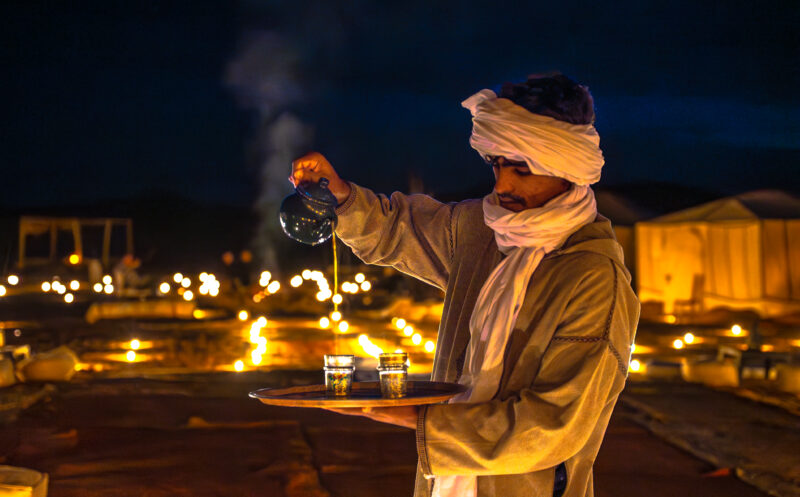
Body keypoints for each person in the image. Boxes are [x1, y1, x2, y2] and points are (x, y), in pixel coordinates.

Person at [290, 73, 639, 497]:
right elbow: (397, 230)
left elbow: (553, 425)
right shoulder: (481, 230)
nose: (503, 185)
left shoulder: (593, 277)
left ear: (566, 168)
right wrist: (342, 196)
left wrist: (420, 419)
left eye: (522, 169)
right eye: (497, 165)